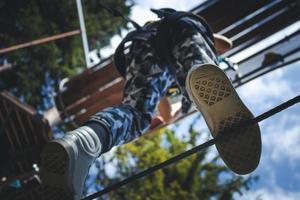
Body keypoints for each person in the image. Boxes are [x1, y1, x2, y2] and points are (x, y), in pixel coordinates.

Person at [41, 8, 261, 200]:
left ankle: (84, 142)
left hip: (143, 47)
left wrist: (168, 113)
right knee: (194, 70)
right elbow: (227, 43)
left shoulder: (156, 33)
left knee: (136, 114)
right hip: (182, 32)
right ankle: (199, 72)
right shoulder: (180, 28)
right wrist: (211, 46)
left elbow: (164, 107)